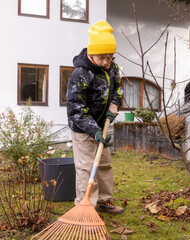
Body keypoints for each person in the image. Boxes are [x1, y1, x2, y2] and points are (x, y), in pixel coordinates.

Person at [66, 20, 124, 214]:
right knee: (86, 167)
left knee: (104, 164)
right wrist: (94, 131)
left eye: (110, 56)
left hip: (103, 125)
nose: (107, 61)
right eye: (102, 57)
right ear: (91, 53)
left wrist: (114, 106)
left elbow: (118, 89)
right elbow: (75, 110)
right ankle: (86, 206)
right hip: (83, 130)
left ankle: (103, 201)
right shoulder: (80, 74)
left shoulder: (112, 68)